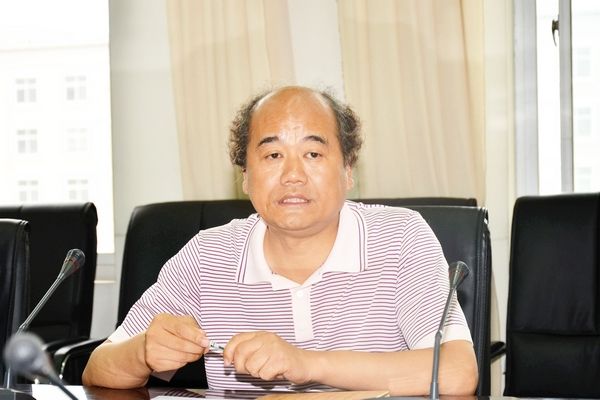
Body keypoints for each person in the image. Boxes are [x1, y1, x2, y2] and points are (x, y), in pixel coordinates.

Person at [82, 86, 478, 395]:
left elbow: (457, 372)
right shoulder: (207, 256)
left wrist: (305, 364)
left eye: (313, 154)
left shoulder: (400, 236)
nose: (292, 175)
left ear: (348, 170)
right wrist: (143, 352)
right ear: (245, 176)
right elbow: (98, 368)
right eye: (272, 155)